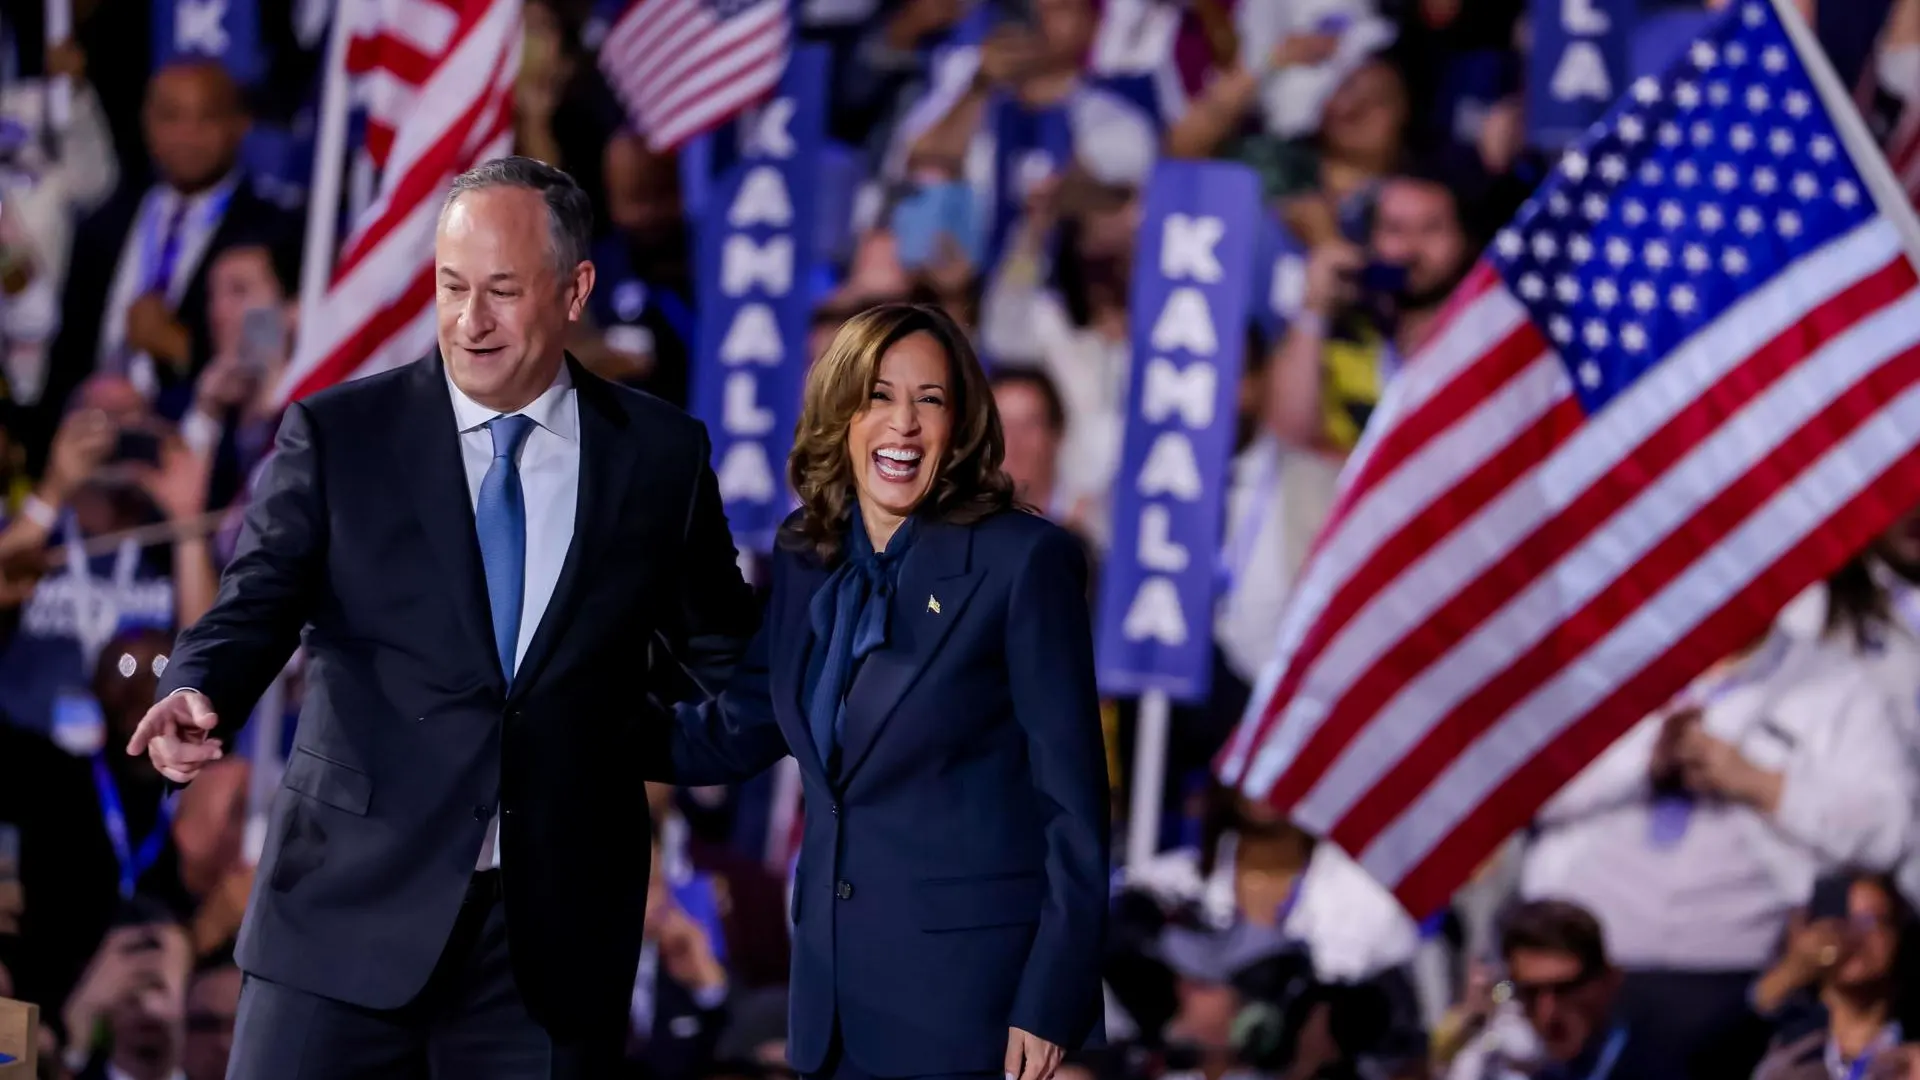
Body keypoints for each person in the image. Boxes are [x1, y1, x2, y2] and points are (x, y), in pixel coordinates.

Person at [125, 156, 761, 1077]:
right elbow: (255, 600)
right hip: (344, 915)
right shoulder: (342, 434)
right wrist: (197, 685)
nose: (470, 321)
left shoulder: (657, 456)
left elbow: (728, 658)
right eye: (453, 287)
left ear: (575, 288)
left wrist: (644, 743)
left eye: (502, 291)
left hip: (546, 948)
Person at [657, 303, 1110, 1080]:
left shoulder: (1021, 563)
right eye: (877, 395)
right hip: (831, 1008)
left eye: (928, 399)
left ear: (959, 422)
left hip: (971, 1011)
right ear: (841, 413)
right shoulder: (807, 553)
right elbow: (741, 727)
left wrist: (1050, 1000)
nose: (903, 423)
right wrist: (577, 722)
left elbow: (1075, 807)